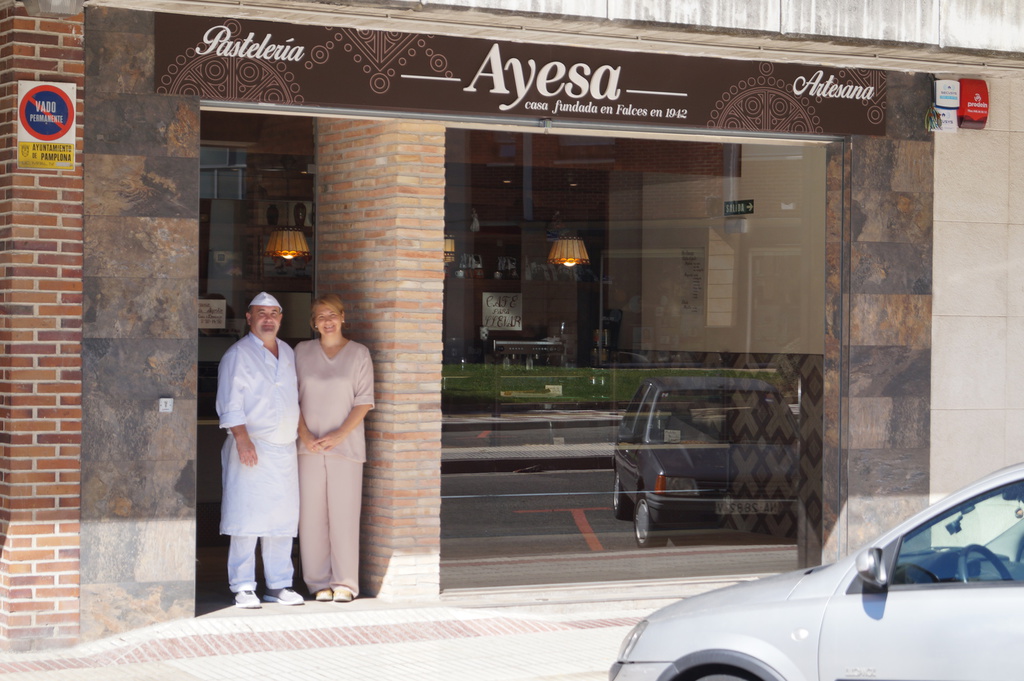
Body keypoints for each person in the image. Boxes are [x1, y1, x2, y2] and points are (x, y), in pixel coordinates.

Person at [216, 292, 304, 608]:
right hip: (250, 446)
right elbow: (230, 401)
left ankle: (279, 584)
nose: (268, 318)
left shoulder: (289, 353)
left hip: (284, 449)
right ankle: (242, 585)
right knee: (246, 518)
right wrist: (241, 439)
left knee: (282, 519)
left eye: (274, 313)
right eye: (261, 313)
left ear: (281, 318)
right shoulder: (237, 354)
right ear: (249, 318)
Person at [295, 294, 374, 603]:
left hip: (347, 447)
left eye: (332, 315)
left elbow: (364, 401)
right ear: (313, 323)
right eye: (320, 316)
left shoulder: (358, 354)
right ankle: (317, 583)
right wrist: (304, 435)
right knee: (311, 516)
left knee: (344, 515)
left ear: (343, 317)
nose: (326, 321)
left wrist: (340, 435)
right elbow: (291, 398)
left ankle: (345, 582)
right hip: (308, 447)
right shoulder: (301, 352)